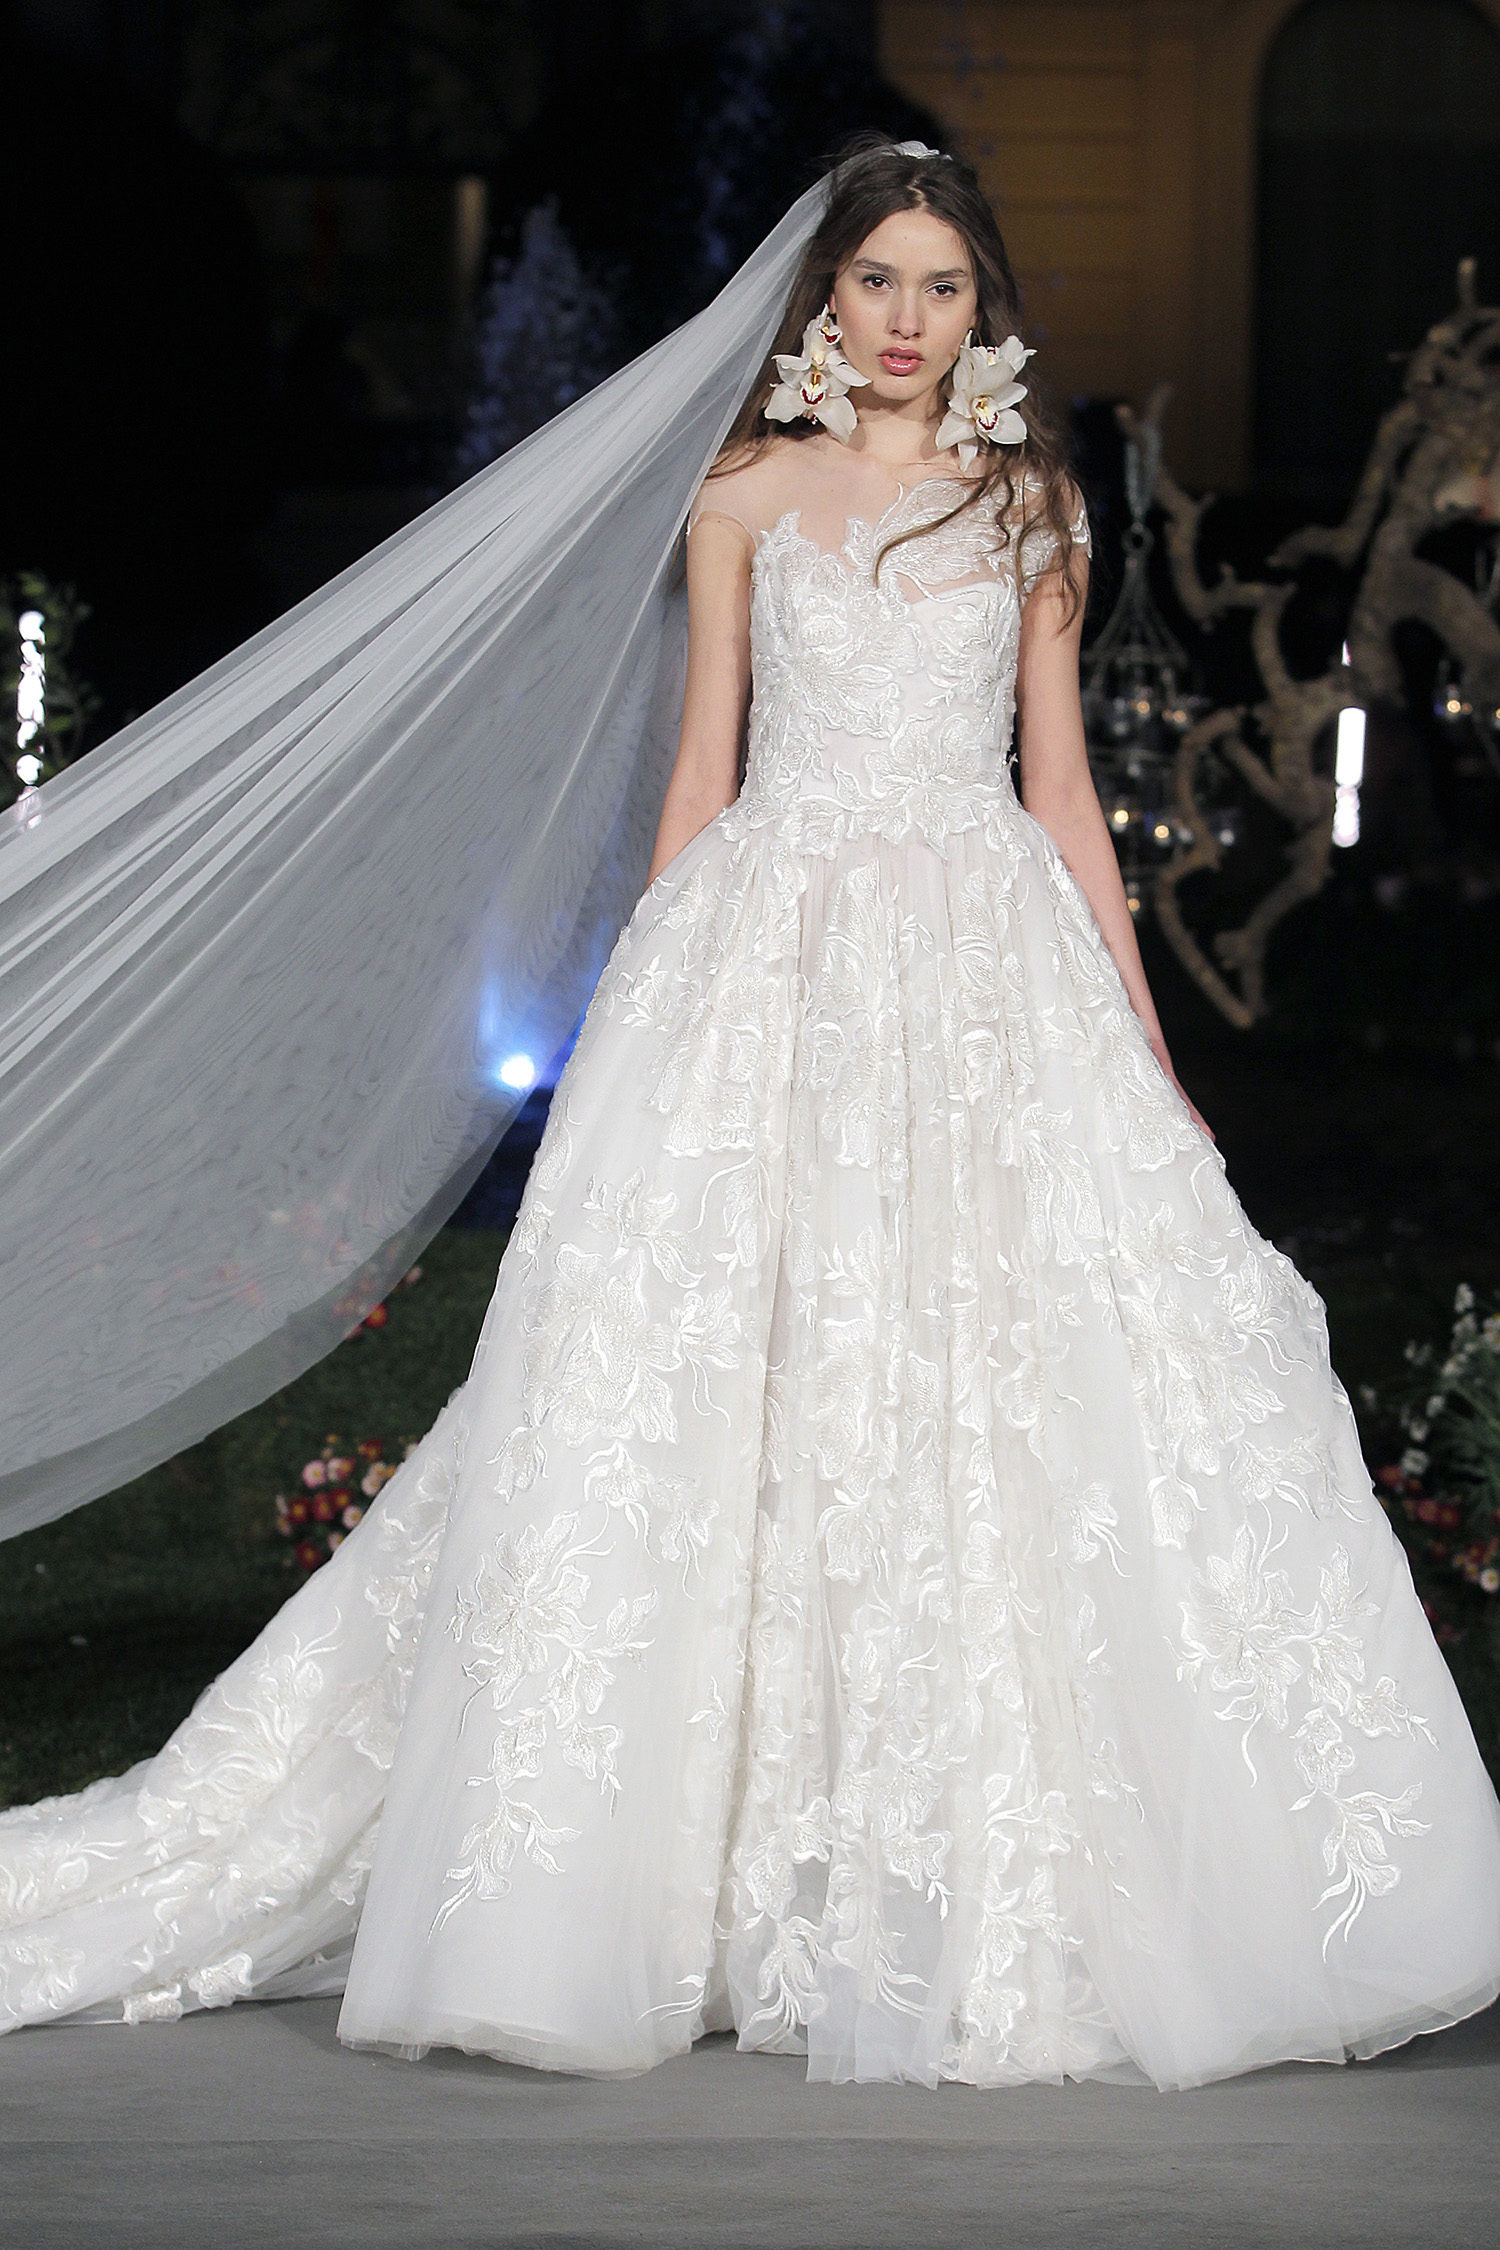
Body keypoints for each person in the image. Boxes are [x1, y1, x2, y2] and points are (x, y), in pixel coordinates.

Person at [2, 137, 1498, 2091]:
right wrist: (644, 1012)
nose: (906, 319)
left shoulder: (1033, 508)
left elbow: (1060, 792)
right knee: (739, 1369)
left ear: (983, 308)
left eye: (942, 286)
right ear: (823, 304)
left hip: (982, 971)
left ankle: (963, 1857)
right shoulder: (742, 497)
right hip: (770, 955)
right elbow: (702, 770)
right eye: (876, 282)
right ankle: (690, 1874)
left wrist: (1145, 1047)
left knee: (1001, 1371)